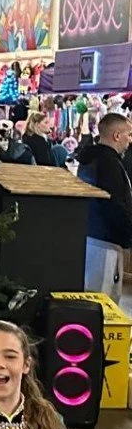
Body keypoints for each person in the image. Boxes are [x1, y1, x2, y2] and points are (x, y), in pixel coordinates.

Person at [77, 112, 132, 302]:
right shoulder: (108, 163)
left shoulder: (93, 159)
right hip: (105, 241)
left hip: (94, 237)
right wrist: (127, 235)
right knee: (101, 301)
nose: (129, 140)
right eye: (129, 134)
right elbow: (115, 204)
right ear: (117, 135)